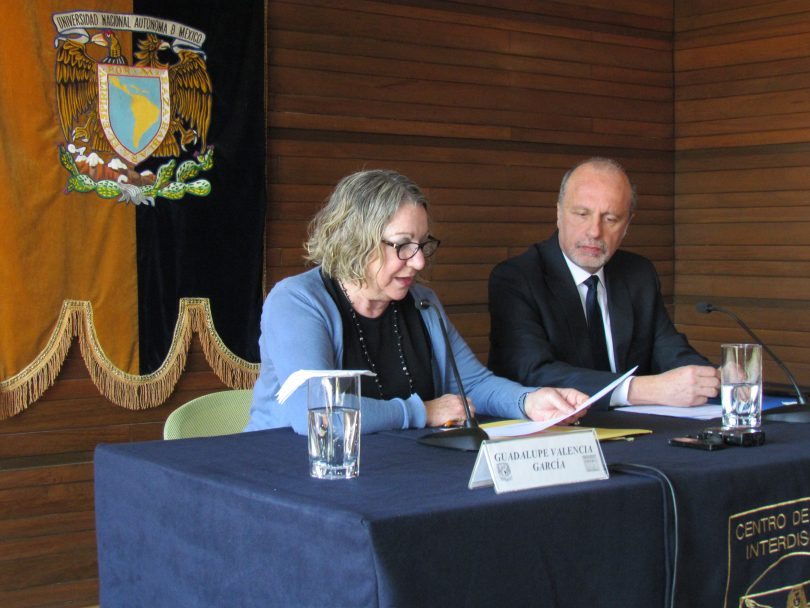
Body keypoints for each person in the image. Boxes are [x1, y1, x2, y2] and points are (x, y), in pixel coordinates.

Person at [245, 169, 588, 434]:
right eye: (402, 245)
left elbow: (472, 385)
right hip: (284, 480)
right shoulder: (298, 301)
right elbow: (317, 415)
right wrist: (423, 412)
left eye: (423, 244)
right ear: (354, 240)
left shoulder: (422, 303)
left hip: (390, 471)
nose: (419, 261)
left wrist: (529, 400)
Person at [488, 157, 720, 410]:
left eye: (610, 219)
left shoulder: (638, 274)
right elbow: (532, 372)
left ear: (627, 225)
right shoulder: (518, 278)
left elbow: (670, 351)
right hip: (557, 435)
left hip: (639, 433)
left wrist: (716, 379)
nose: (594, 231)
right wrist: (639, 389)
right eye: (581, 214)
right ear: (558, 213)